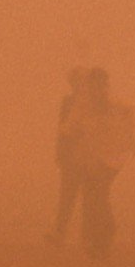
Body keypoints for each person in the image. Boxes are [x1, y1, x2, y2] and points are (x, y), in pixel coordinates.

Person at [61, 67, 135, 259]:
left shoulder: (115, 104)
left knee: (99, 195)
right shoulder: (82, 105)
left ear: (105, 85)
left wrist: (130, 138)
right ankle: (96, 239)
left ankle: (104, 235)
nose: (97, 89)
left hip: (111, 158)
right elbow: (70, 128)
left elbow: (130, 113)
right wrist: (69, 134)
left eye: (100, 85)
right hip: (90, 157)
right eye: (93, 85)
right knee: (91, 196)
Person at [47, 67, 90, 246]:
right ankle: (60, 231)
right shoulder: (67, 102)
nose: (76, 85)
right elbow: (62, 129)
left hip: (89, 154)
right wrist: (60, 152)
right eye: (73, 81)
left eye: (78, 81)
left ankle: (87, 235)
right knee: (67, 194)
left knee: (89, 195)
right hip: (70, 155)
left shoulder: (94, 103)